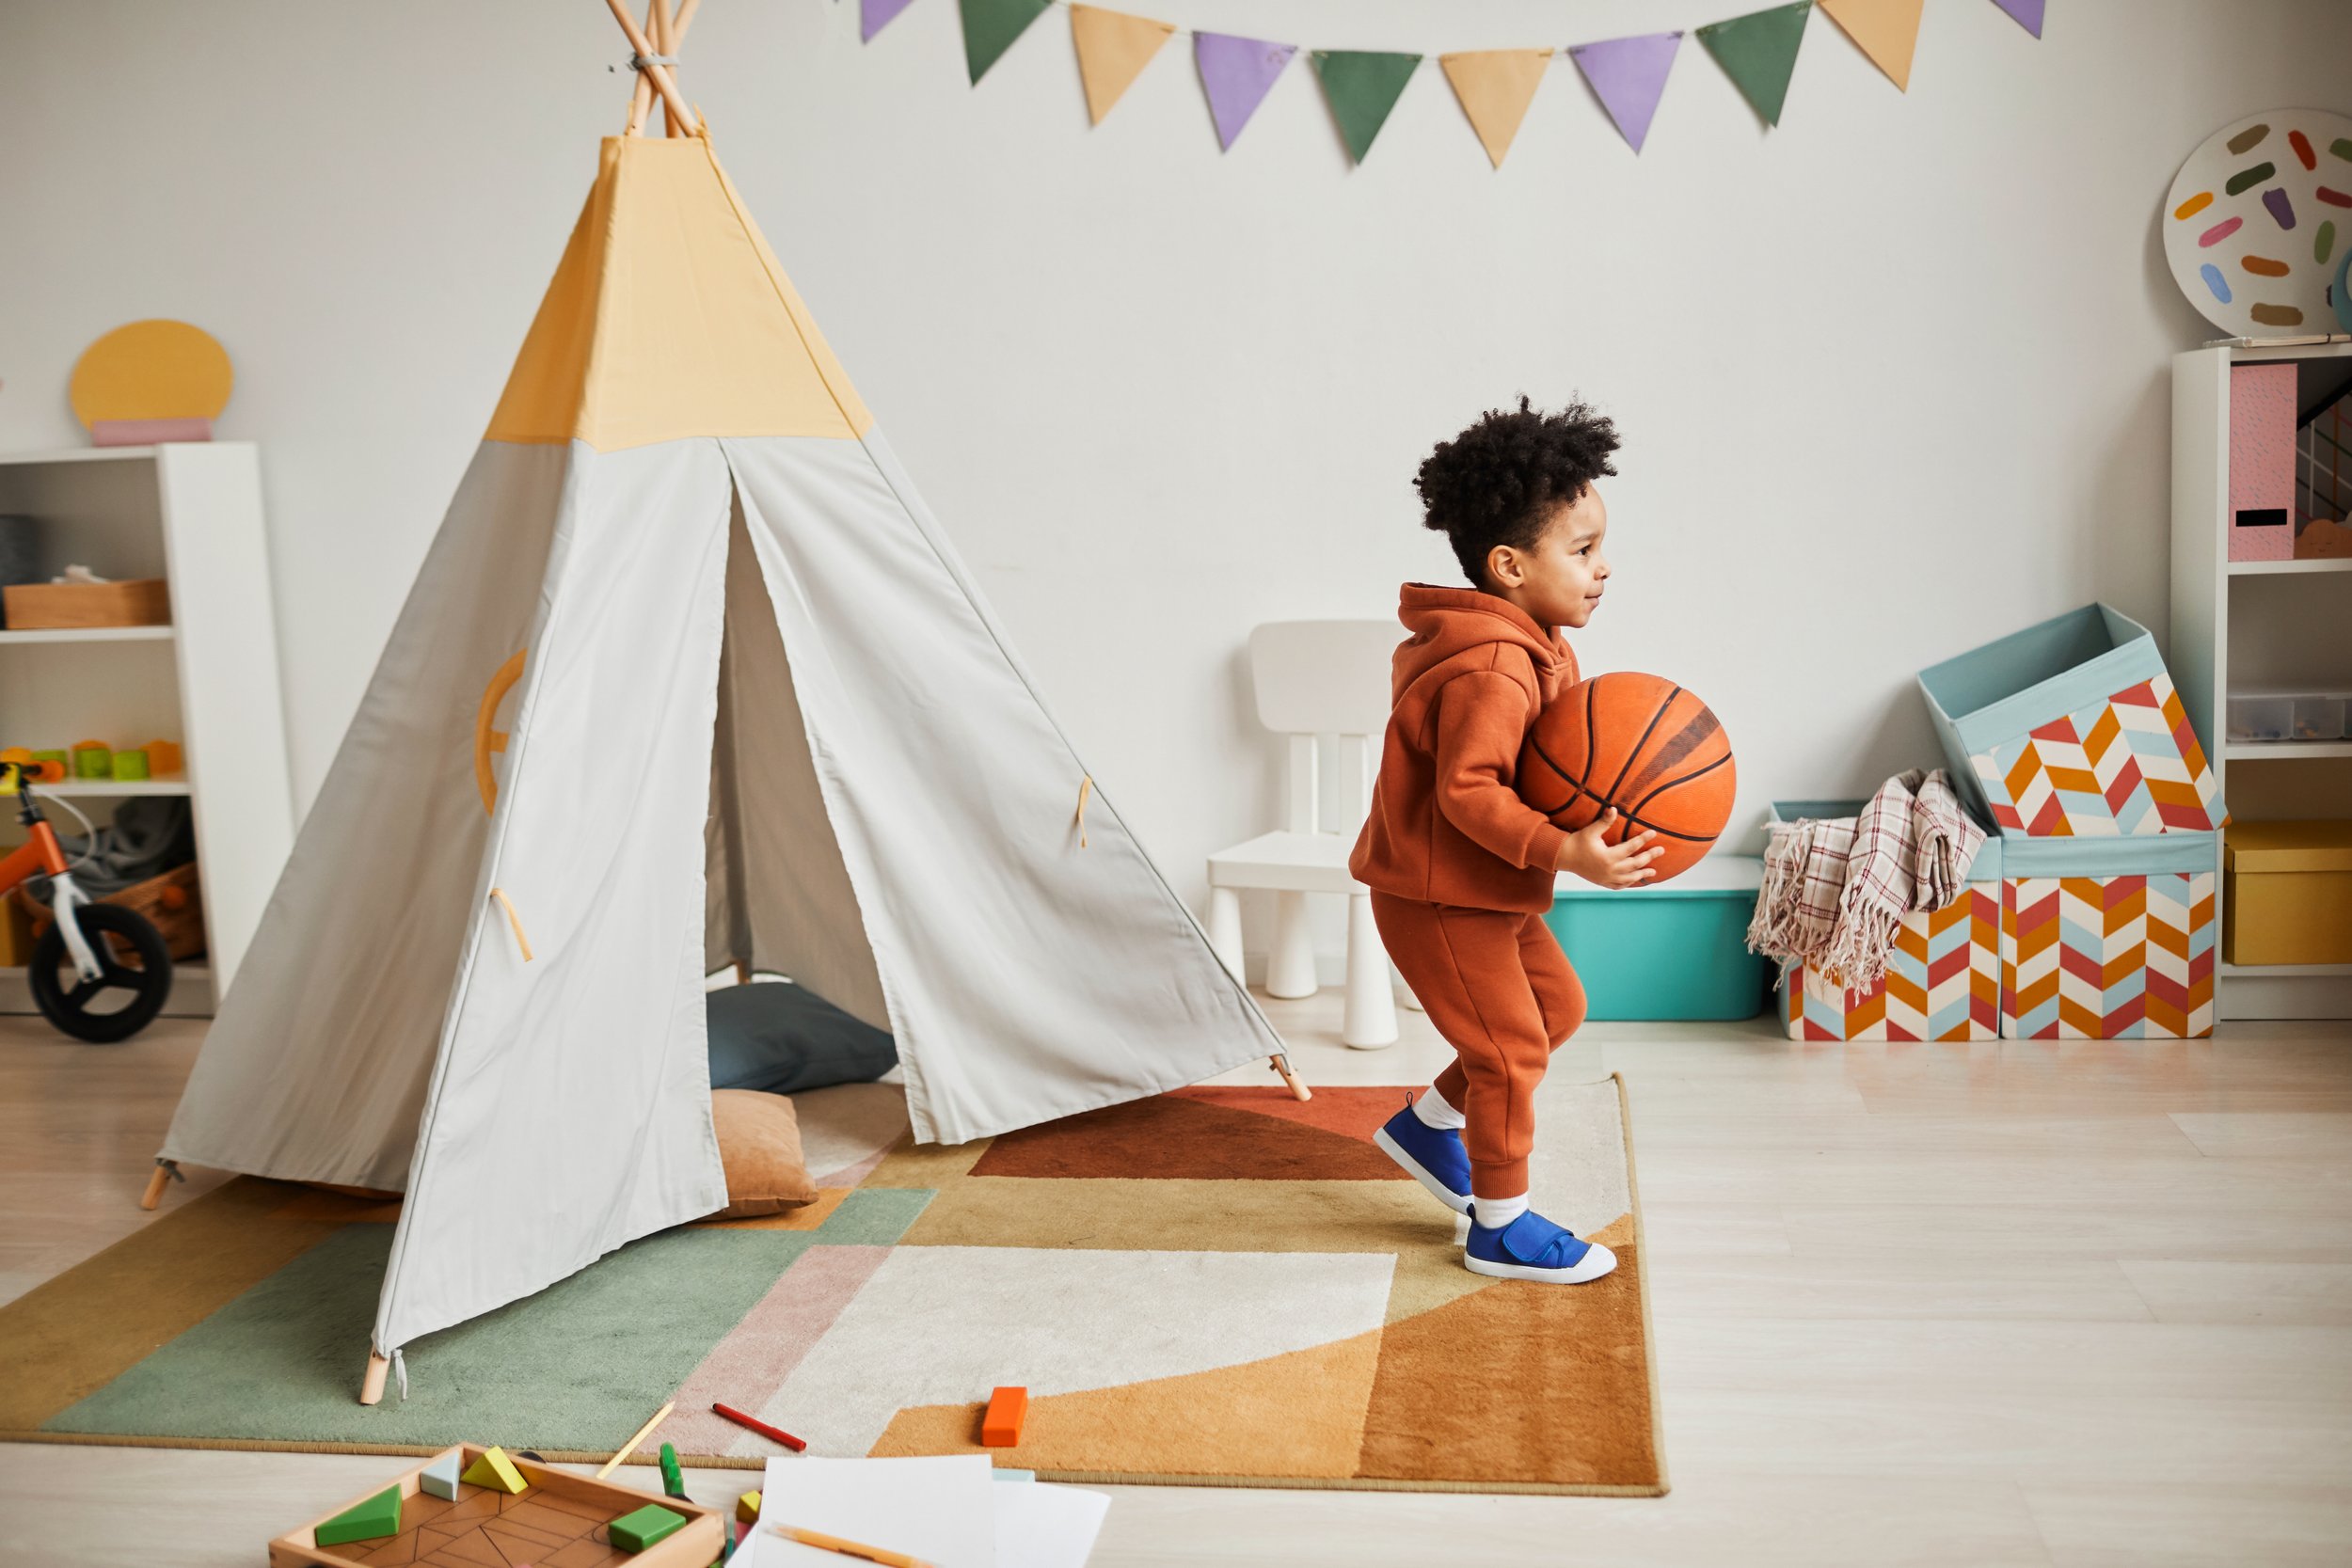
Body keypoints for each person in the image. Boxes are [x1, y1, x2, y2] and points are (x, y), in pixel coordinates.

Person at [1350, 397, 1658, 1284]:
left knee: (1556, 1009)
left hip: (1485, 885)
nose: (1605, 567)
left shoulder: (1533, 642)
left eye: (1601, 545)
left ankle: (1430, 1128)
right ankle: (1500, 1225)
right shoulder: (1492, 665)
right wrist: (1569, 852)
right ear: (1509, 565)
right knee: (1511, 1049)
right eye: (1583, 549)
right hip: (1438, 893)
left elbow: (1549, 767)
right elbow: (1467, 791)